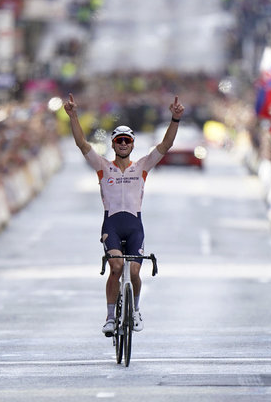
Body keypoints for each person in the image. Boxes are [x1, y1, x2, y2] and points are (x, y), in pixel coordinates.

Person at [63, 93, 184, 336]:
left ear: (132, 144)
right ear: (113, 144)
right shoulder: (102, 167)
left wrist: (175, 119)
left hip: (134, 226)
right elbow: (82, 144)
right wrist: (74, 116)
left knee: (136, 272)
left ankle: (136, 310)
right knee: (116, 267)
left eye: (127, 141)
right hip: (112, 225)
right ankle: (110, 317)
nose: (123, 144)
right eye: (119, 141)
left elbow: (166, 145)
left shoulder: (141, 167)